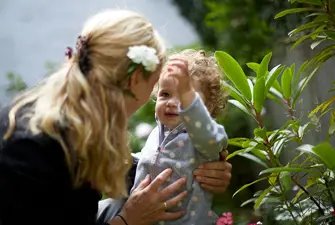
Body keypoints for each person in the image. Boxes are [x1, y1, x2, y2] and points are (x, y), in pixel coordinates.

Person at [0, 9, 232, 225]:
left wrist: (201, 169)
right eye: (156, 87)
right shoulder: (28, 150)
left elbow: (130, 171)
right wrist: (126, 220)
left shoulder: (72, 120)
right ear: (134, 81)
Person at [131, 49, 228, 225]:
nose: (172, 102)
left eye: (185, 97)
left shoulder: (201, 138)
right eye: (165, 94)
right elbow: (150, 160)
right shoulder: (157, 133)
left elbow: (212, 137)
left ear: (208, 106)